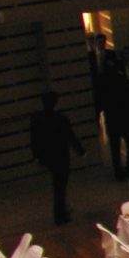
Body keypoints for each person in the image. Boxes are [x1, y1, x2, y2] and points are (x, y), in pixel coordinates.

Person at [28, 90, 82, 225]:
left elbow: (34, 139)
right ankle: (60, 214)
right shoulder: (61, 118)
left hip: (48, 156)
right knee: (60, 186)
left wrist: (36, 156)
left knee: (58, 185)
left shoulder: (37, 118)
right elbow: (70, 136)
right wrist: (80, 151)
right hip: (61, 155)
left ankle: (62, 210)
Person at [99, 52, 129, 182]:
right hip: (125, 116)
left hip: (112, 118)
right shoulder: (121, 78)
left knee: (115, 148)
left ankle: (118, 173)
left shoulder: (102, 80)